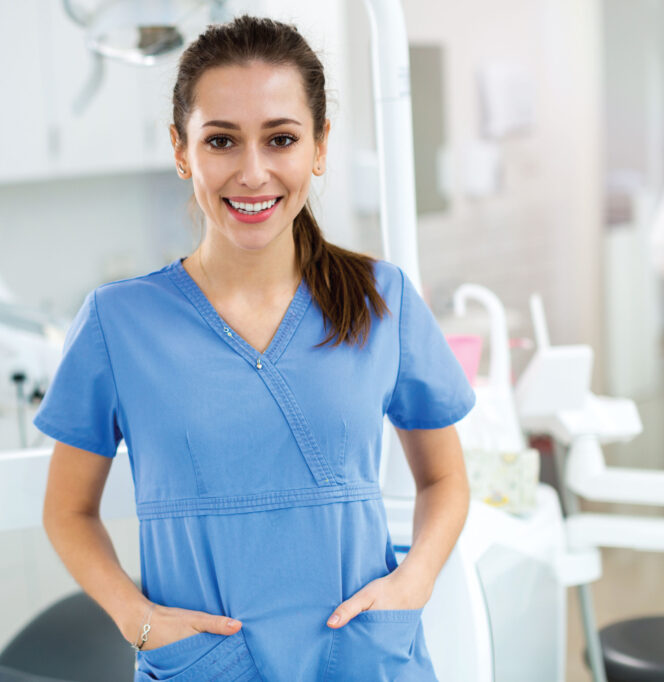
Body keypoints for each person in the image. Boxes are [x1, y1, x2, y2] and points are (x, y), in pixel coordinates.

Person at [35, 14, 476, 682]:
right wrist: (140, 621)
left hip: (362, 660)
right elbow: (67, 511)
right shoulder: (117, 324)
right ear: (182, 150)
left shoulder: (380, 300)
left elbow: (444, 479)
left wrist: (413, 584)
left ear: (319, 147)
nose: (253, 172)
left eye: (280, 139)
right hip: (205, 666)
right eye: (221, 141)